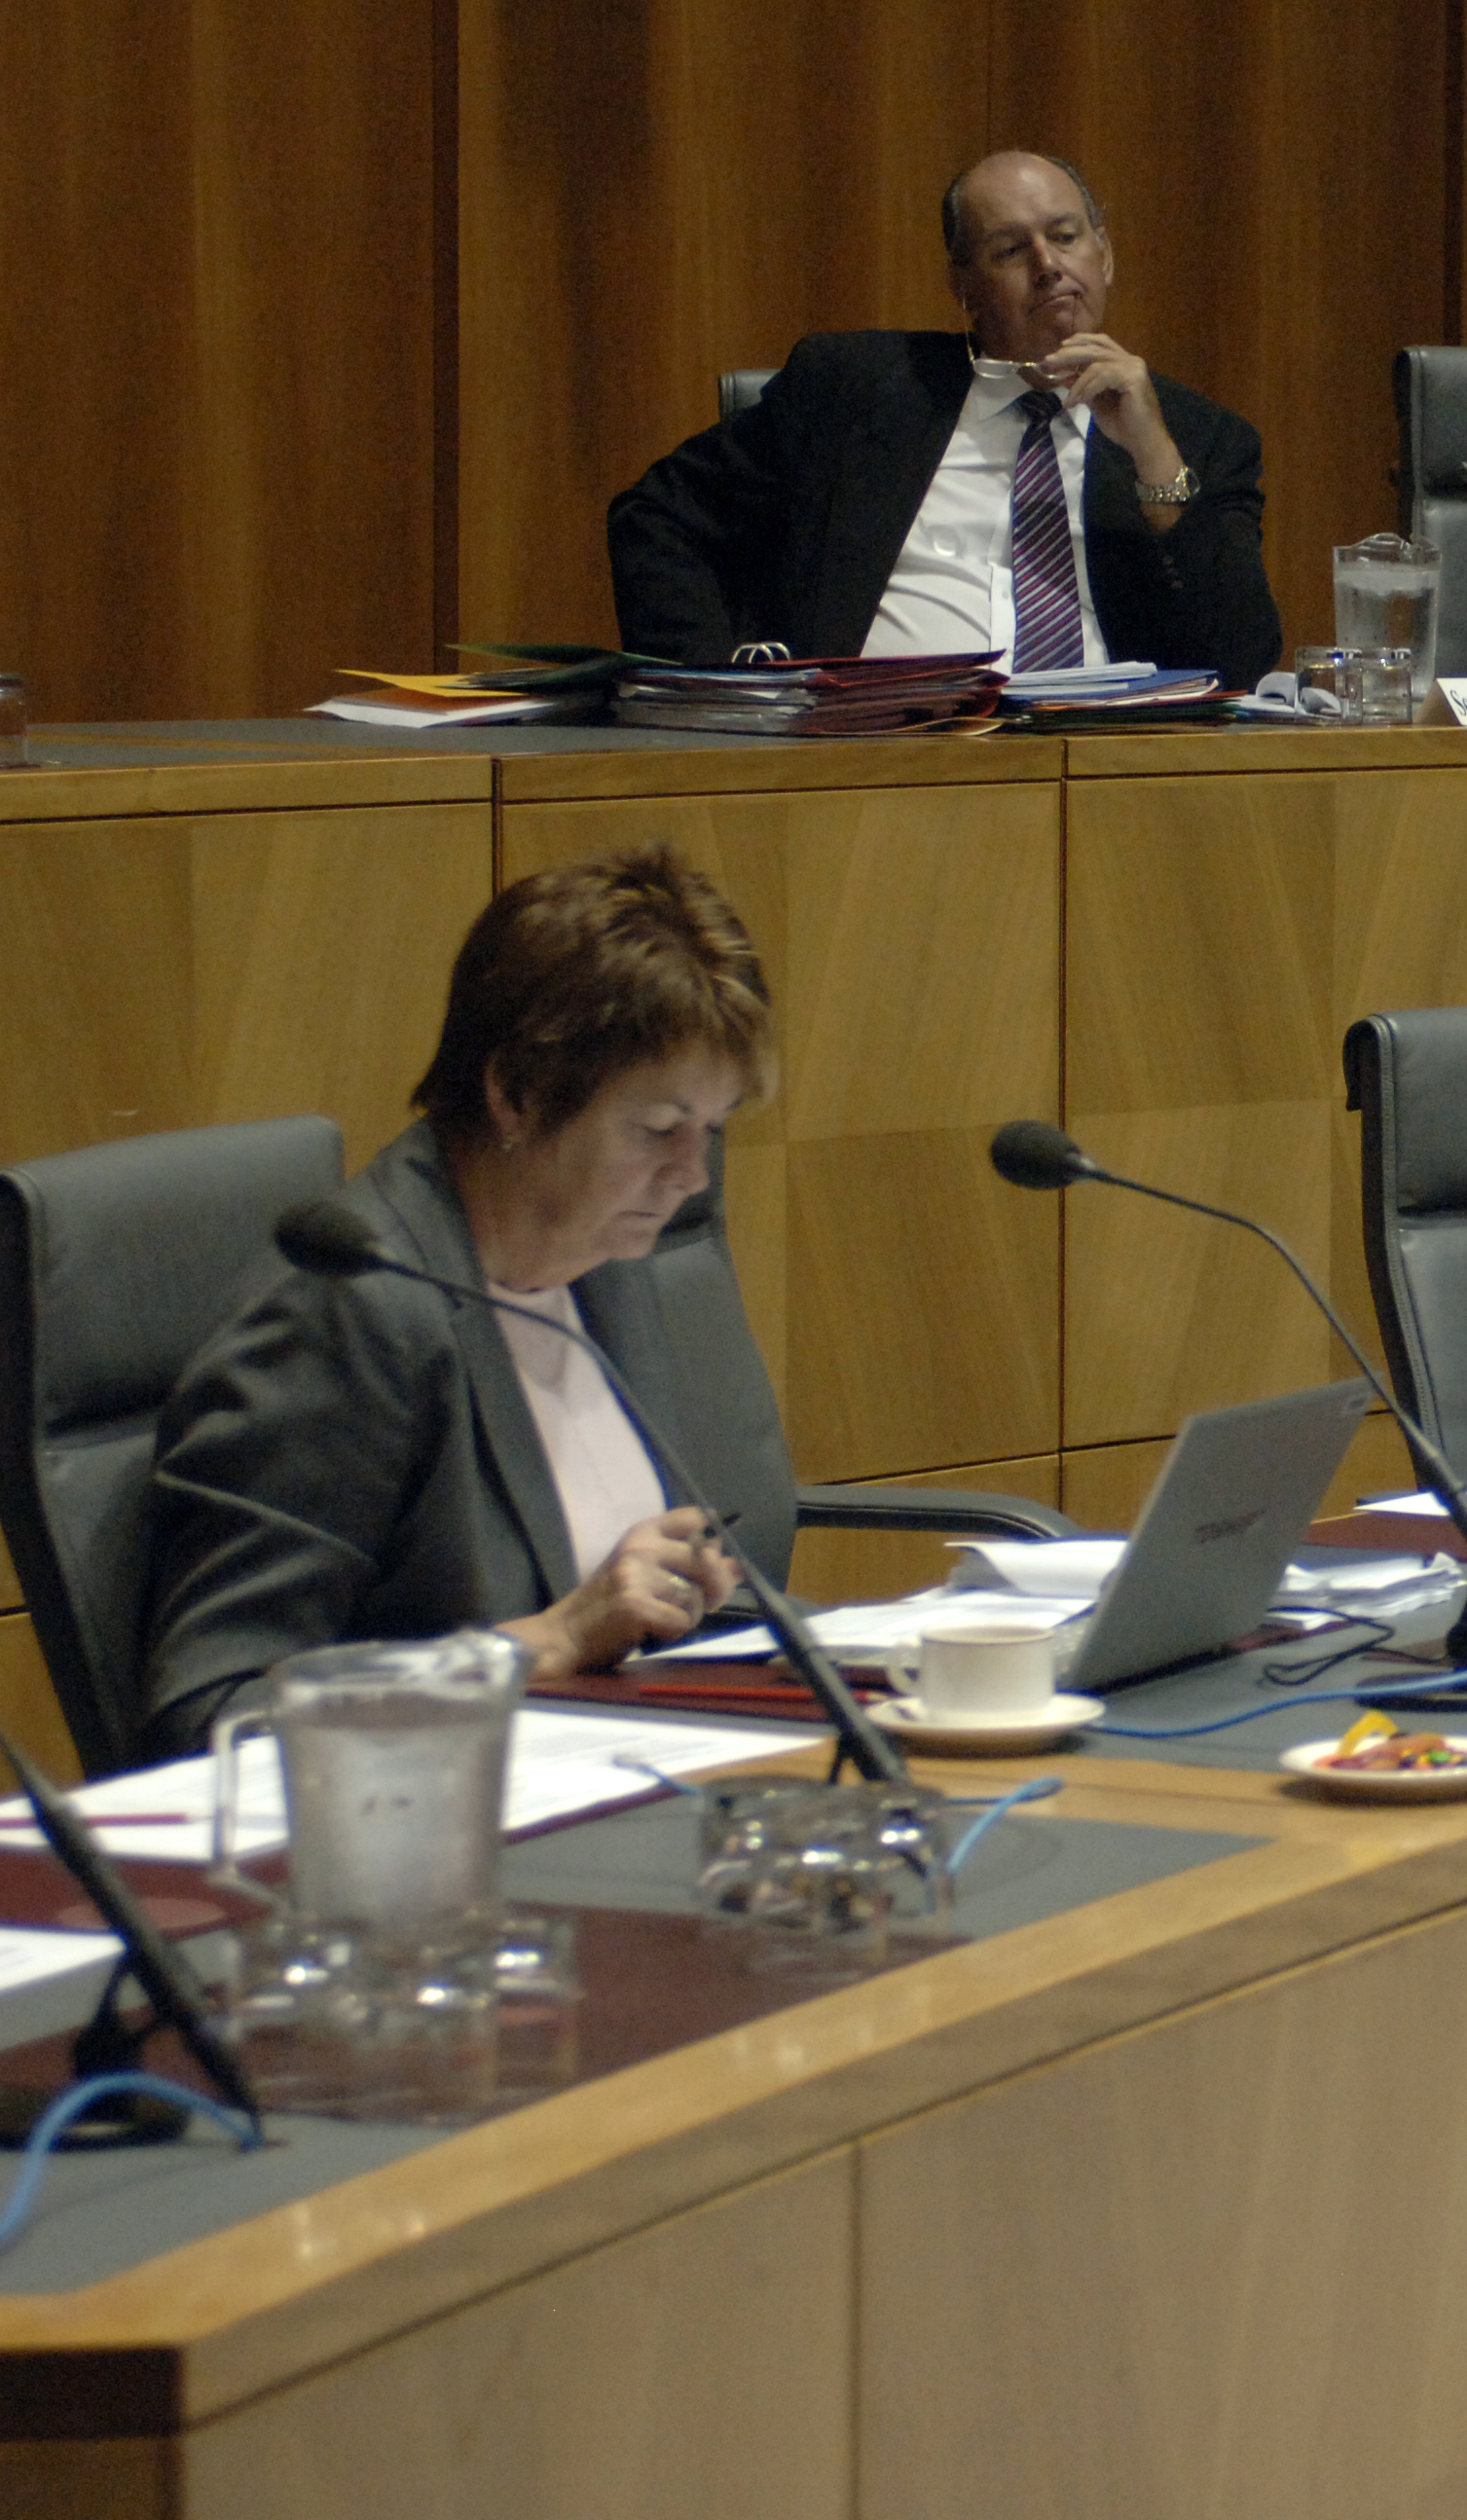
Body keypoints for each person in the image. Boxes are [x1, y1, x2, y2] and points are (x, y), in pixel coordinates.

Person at [140, 848, 794, 1752]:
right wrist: (550, 1641)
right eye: (656, 1129)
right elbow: (217, 1716)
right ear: (517, 1094)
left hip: (638, 1779)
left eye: (711, 1131)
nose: (690, 1175)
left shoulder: (601, 1257)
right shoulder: (348, 1311)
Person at [607, 151, 1279, 685]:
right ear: (962, 286)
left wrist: (1153, 459)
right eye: (1010, 250)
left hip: (1105, 768)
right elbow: (656, 517)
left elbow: (1242, 658)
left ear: (1104, 255)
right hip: (883, 762)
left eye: (1066, 237)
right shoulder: (857, 390)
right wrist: (720, 694)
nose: (1049, 267)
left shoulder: (1199, 439)